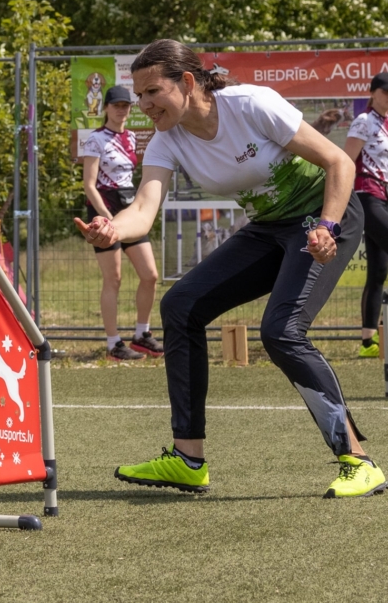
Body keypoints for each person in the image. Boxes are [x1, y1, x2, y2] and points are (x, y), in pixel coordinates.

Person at [75, 39, 385, 499]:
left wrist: (327, 226)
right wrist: (111, 229)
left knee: (281, 332)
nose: (143, 105)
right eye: (138, 96)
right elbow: (142, 209)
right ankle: (188, 460)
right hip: (268, 228)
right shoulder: (166, 140)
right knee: (180, 305)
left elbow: (338, 161)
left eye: (152, 92)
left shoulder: (250, 104)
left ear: (186, 82)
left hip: (322, 217)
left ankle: (358, 461)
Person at [80, 85, 163, 361]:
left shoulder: (131, 137)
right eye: (116, 105)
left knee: (150, 275)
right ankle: (114, 343)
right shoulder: (96, 139)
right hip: (103, 210)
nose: (121, 110)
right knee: (113, 278)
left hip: (130, 208)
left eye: (126, 105)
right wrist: (107, 217)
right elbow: (89, 184)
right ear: (106, 108)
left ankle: (142, 335)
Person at [343, 73, 388, 358]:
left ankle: (368, 343)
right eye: (385, 91)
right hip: (366, 197)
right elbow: (346, 160)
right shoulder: (363, 121)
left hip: (384, 197)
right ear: (372, 93)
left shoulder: (386, 123)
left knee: (378, 271)